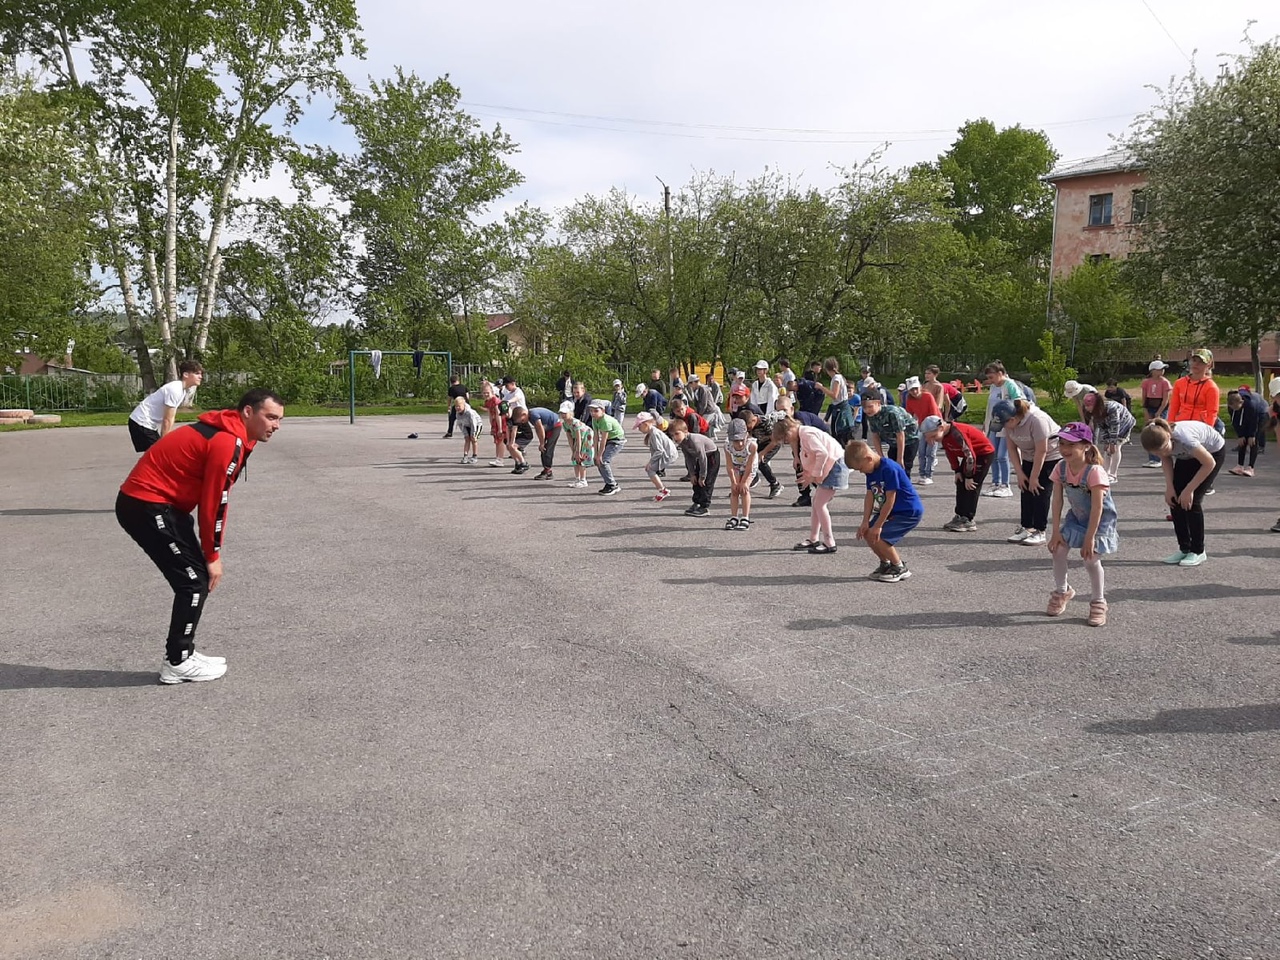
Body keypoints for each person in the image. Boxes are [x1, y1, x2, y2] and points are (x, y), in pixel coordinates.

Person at [115, 388, 284, 683]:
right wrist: (213, 556)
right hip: (147, 505)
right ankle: (177, 661)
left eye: (279, 419)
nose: (276, 425)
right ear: (248, 412)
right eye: (270, 417)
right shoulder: (226, 440)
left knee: (195, 580)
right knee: (193, 582)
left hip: (161, 505)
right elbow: (214, 504)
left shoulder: (232, 431)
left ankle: (183, 653)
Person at [1045, 422, 1118, 628]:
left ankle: (1098, 601)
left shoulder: (1094, 471)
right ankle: (1062, 591)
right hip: (1076, 518)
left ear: (1086, 445)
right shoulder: (1060, 468)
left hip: (1099, 522)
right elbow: (1057, 501)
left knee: (1090, 559)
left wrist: (1090, 537)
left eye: (1071, 444)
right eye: (1061, 443)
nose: (1064, 449)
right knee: (1058, 550)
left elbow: (1098, 508)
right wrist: (1055, 531)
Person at [1140, 417, 1226, 566]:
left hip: (1211, 454)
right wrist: (1170, 488)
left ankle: (1198, 551)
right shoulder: (1161, 443)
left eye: (1164, 447)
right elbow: (1166, 459)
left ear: (1169, 436)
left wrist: (1189, 490)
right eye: (1157, 452)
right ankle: (1185, 548)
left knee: (1192, 502)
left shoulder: (1185, 438)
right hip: (1186, 455)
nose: (1163, 452)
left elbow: (1209, 463)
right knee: (1175, 500)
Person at [846, 439, 923, 583]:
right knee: (868, 533)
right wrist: (865, 522)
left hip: (907, 511)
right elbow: (870, 495)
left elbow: (890, 499)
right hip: (892, 510)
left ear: (868, 458)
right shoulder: (871, 470)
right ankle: (885, 563)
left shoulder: (889, 468)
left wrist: (879, 525)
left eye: (861, 468)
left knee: (879, 537)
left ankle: (899, 567)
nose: (861, 472)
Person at [771, 417, 848, 554]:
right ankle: (813, 538)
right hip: (831, 466)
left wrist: (814, 475)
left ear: (788, 432)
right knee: (816, 503)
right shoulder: (802, 434)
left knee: (820, 505)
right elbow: (811, 455)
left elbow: (822, 453)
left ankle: (829, 542)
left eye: (785, 439)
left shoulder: (807, 434)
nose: (787, 442)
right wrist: (809, 472)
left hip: (835, 466)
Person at [991, 399, 1061, 547]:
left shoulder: (1037, 420)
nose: (1004, 427)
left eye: (1005, 423)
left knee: (1039, 490)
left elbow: (1042, 450)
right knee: (1025, 488)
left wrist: (1035, 477)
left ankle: (1040, 531)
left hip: (1050, 456)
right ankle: (1027, 527)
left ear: (1013, 419)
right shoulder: (1009, 424)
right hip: (1029, 456)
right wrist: (1020, 473)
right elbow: (1011, 449)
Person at [921, 415, 996, 532]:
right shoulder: (944, 436)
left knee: (971, 486)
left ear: (941, 428)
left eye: (934, 436)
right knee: (960, 483)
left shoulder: (957, 434)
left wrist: (970, 476)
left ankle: (968, 519)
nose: (934, 440)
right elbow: (950, 453)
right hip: (970, 456)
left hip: (982, 454)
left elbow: (970, 455)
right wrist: (957, 471)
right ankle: (960, 515)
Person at [127, 360, 204, 452]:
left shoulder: (182, 390)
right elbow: (167, 419)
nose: (200, 377)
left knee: (155, 455)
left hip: (146, 423)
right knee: (158, 453)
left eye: (200, 374)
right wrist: (165, 442)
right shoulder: (175, 389)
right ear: (186, 375)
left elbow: (171, 418)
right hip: (141, 422)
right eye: (197, 373)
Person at [980, 361, 1023, 498]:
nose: (990, 380)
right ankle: (995, 482)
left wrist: (1012, 419)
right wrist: (985, 424)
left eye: (992, 377)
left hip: (1006, 425)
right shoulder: (993, 387)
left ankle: (1006, 485)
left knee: (1002, 455)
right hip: (994, 424)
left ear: (1000, 373)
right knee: (992, 454)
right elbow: (990, 407)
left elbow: (1019, 402)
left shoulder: (1009, 385)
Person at [1077, 387, 1136, 482]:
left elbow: (1115, 426)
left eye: (1089, 406)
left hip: (1124, 423)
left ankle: (1113, 475)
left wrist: (1112, 443)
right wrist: (1106, 441)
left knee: (1116, 448)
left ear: (1095, 405)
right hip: (1111, 425)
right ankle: (1105, 472)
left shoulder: (1111, 409)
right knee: (1107, 450)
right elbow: (1103, 426)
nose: (1087, 409)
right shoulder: (1094, 412)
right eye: (1086, 406)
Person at [860, 389, 919, 477]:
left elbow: (900, 435)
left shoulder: (892, 413)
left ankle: (904, 489)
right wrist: (880, 456)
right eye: (864, 408)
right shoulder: (871, 416)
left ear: (878, 403)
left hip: (908, 441)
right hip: (893, 443)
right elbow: (875, 436)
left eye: (870, 407)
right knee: (891, 468)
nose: (867, 410)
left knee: (903, 469)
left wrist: (900, 458)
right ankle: (893, 489)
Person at [669, 417, 719, 517]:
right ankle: (696, 502)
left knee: (706, 483)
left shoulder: (694, 441)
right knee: (695, 482)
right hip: (700, 459)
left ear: (685, 431)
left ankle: (704, 507)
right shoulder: (682, 443)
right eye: (673, 435)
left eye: (677, 434)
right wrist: (692, 474)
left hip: (711, 457)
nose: (675, 438)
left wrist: (702, 476)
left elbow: (703, 458)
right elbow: (688, 458)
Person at [735, 406, 784, 499]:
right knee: (747, 459)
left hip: (772, 444)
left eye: (748, 427)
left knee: (761, 462)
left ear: (754, 420)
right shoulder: (748, 424)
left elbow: (774, 441)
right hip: (759, 443)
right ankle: (752, 479)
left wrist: (762, 453)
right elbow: (747, 435)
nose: (747, 429)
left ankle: (775, 484)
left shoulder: (766, 422)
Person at [904, 376, 941, 484]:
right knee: (921, 452)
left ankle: (929, 474)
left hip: (934, 425)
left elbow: (934, 415)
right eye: (911, 390)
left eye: (916, 388)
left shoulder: (927, 396)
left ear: (920, 387)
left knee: (930, 452)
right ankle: (922, 474)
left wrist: (933, 432)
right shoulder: (909, 399)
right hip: (922, 426)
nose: (914, 391)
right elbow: (909, 415)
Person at [723, 417, 759, 530]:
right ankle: (734, 517)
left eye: (741, 440)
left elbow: (749, 466)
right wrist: (734, 482)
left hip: (749, 467)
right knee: (734, 490)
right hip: (737, 466)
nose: (738, 444)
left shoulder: (752, 445)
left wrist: (744, 482)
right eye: (735, 440)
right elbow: (729, 465)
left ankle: (745, 517)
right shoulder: (727, 446)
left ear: (746, 435)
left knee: (744, 490)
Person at [635, 411, 678, 502]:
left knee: (650, 469)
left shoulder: (654, 434)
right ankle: (662, 489)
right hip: (667, 453)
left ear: (646, 424)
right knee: (650, 469)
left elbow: (659, 450)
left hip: (668, 455)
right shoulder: (652, 432)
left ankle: (663, 490)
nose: (639, 429)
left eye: (639, 426)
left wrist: (650, 462)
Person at [587, 399, 626, 496]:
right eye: (591, 411)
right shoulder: (594, 419)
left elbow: (603, 440)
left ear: (603, 411)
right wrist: (595, 454)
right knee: (598, 462)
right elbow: (596, 437)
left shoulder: (605, 420)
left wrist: (599, 455)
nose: (593, 413)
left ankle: (613, 485)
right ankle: (609, 483)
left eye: (596, 411)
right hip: (609, 440)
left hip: (617, 440)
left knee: (603, 461)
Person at [1227, 388, 1267, 477]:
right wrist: (1240, 435)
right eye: (1232, 407)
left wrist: (1252, 435)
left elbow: (1253, 421)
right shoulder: (1231, 407)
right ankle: (1239, 466)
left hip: (1261, 413)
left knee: (1253, 441)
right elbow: (1235, 421)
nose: (1234, 409)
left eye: (1236, 407)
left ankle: (1250, 468)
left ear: (1241, 402)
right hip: (1250, 414)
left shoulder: (1251, 405)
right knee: (1242, 441)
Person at [1140, 360, 1173, 466]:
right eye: (1159, 369)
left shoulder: (1165, 382)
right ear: (1153, 371)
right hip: (1150, 406)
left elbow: (1165, 400)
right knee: (1150, 430)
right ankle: (1152, 458)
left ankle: (1161, 457)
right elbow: (1144, 398)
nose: (1162, 371)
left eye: (1162, 369)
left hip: (1161, 407)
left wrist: (1159, 413)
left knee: (1160, 430)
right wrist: (1145, 410)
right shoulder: (1146, 382)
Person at [816, 357, 855, 445]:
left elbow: (834, 395)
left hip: (840, 408)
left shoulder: (836, 379)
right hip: (840, 407)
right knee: (838, 434)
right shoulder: (840, 377)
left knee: (839, 434)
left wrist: (821, 388)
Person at [515, 405, 560, 479]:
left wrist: (542, 443)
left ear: (524, 414)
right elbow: (538, 430)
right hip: (548, 427)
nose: (522, 422)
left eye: (522, 420)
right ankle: (546, 469)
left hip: (555, 426)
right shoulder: (530, 416)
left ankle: (548, 471)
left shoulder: (533, 415)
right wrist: (541, 442)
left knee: (547, 449)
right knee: (543, 450)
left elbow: (540, 428)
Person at [558, 400, 594, 488]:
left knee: (581, 457)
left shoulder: (575, 422)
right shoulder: (565, 424)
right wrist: (573, 451)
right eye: (561, 413)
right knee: (574, 458)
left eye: (565, 413)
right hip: (577, 438)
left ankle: (583, 480)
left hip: (586, 437)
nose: (563, 415)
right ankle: (577, 479)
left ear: (570, 413)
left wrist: (578, 451)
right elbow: (569, 437)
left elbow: (579, 437)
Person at [480, 380, 508, 467]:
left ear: (492, 392)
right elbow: (490, 414)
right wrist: (492, 426)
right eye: (484, 393)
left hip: (501, 422)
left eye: (487, 392)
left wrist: (499, 428)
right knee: (497, 441)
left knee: (500, 440)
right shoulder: (487, 402)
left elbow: (498, 414)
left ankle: (500, 459)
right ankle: (498, 458)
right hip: (495, 422)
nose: (485, 395)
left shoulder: (495, 400)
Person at [453, 396, 483, 463]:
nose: (457, 408)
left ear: (464, 405)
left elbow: (473, 423)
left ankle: (475, 456)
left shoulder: (470, 413)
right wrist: (465, 433)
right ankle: (465, 456)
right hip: (466, 425)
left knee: (473, 439)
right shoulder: (457, 414)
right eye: (456, 406)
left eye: (459, 406)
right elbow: (460, 424)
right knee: (467, 439)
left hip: (477, 425)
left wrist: (473, 433)